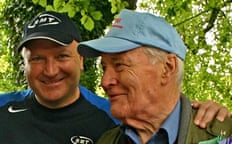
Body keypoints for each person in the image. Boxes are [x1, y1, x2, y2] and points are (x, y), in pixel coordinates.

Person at [0, 10, 230, 144]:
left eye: (120, 65)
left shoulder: (220, 134)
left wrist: (219, 127)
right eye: (36, 59)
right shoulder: (109, 139)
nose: (105, 81)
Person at [78, 9, 232, 144]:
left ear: (167, 68)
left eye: (120, 65)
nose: (105, 82)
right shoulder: (106, 140)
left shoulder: (223, 137)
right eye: (104, 68)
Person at [0, 11, 117, 144]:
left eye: (62, 56)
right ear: (24, 65)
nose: (50, 71)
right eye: (37, 58)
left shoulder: (114, 120)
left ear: (81, 60)